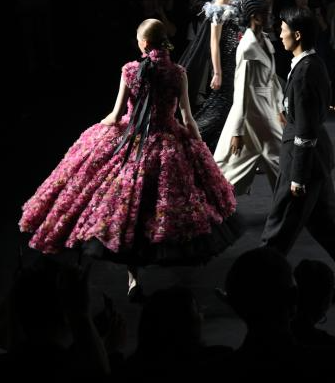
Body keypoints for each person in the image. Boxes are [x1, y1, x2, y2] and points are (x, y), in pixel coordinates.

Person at [20, 19, 241, 300]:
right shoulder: (177, 73)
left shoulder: (130, 71)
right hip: (167, 141)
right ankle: (171, 278)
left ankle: (133, 278)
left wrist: (96, 132)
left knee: (128, 209)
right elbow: (187, 118)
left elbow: (115, 115)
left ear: (144, 44)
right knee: (163, 206)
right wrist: (197, 145)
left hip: (132, 141)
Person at [260, 7, 335, 302]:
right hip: (317, 159)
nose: (280, 34)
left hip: (303, 161)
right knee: (327, 222)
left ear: (297, 35)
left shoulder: (304, 72)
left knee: (279, 225)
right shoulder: (312, 64)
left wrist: (298, 177)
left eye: (283, 29)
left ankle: (252, 286)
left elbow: (305, 129)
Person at [214, 0, 285, 195]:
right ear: (256, 17)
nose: (271, 17)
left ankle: (219, 197)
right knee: (279, 159)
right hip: (255, 114)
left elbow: (273, 80)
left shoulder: (265, 41)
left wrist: (279, 108)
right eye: (267, 14)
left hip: (265, 110)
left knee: (240, 164)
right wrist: (237, 131)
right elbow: (241, 90)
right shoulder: (247, 48)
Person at [179, 0, 241, 151]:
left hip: (234, 61)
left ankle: (209, 146)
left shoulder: (233, 4)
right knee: (220, 106)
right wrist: (217, 72)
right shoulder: (218, 8)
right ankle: (190, 140)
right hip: (225, 63)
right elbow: (214, 42)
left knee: (226, 105)